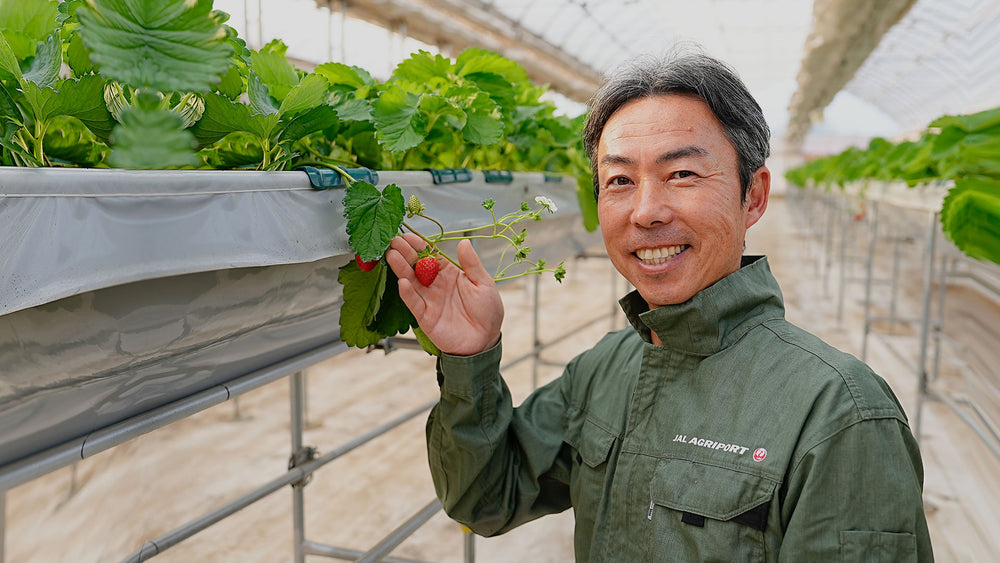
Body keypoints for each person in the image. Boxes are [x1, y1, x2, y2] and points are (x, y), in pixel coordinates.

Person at [386, 50, 933, 561]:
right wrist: (470, 358)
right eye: (619, 179)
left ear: (755, 196)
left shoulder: (842, 415)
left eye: (682, 174)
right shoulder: (603, 369)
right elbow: (488, 498)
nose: (646, 211)